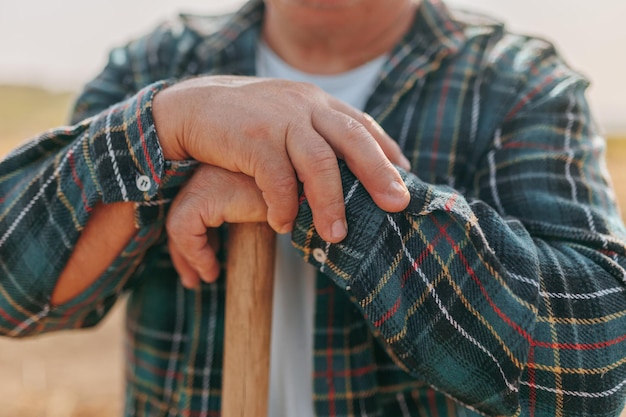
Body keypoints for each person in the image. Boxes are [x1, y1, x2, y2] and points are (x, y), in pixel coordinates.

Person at [1, 0, 625, 415]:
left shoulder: (516, 83)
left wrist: (304, 183)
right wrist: (166, 126)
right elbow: (12, 294)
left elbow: (599, 365)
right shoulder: (159, 67)